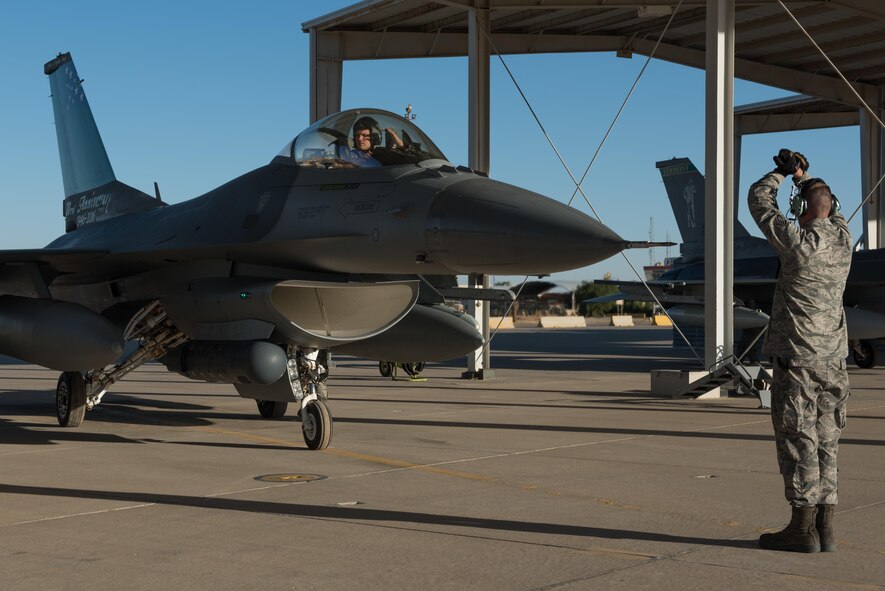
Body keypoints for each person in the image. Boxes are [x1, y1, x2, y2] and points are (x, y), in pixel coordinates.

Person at [748, 148, 852, 553]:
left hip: (798, 362)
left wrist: (781, 172)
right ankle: (825, 528)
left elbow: (758, 200)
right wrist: (805, 179)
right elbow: (831, 205)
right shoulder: (843, 240)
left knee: (798, 441)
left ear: (803, 211)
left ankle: (800, 528)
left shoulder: (796, 241)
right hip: (834, 364)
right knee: (828, 441)